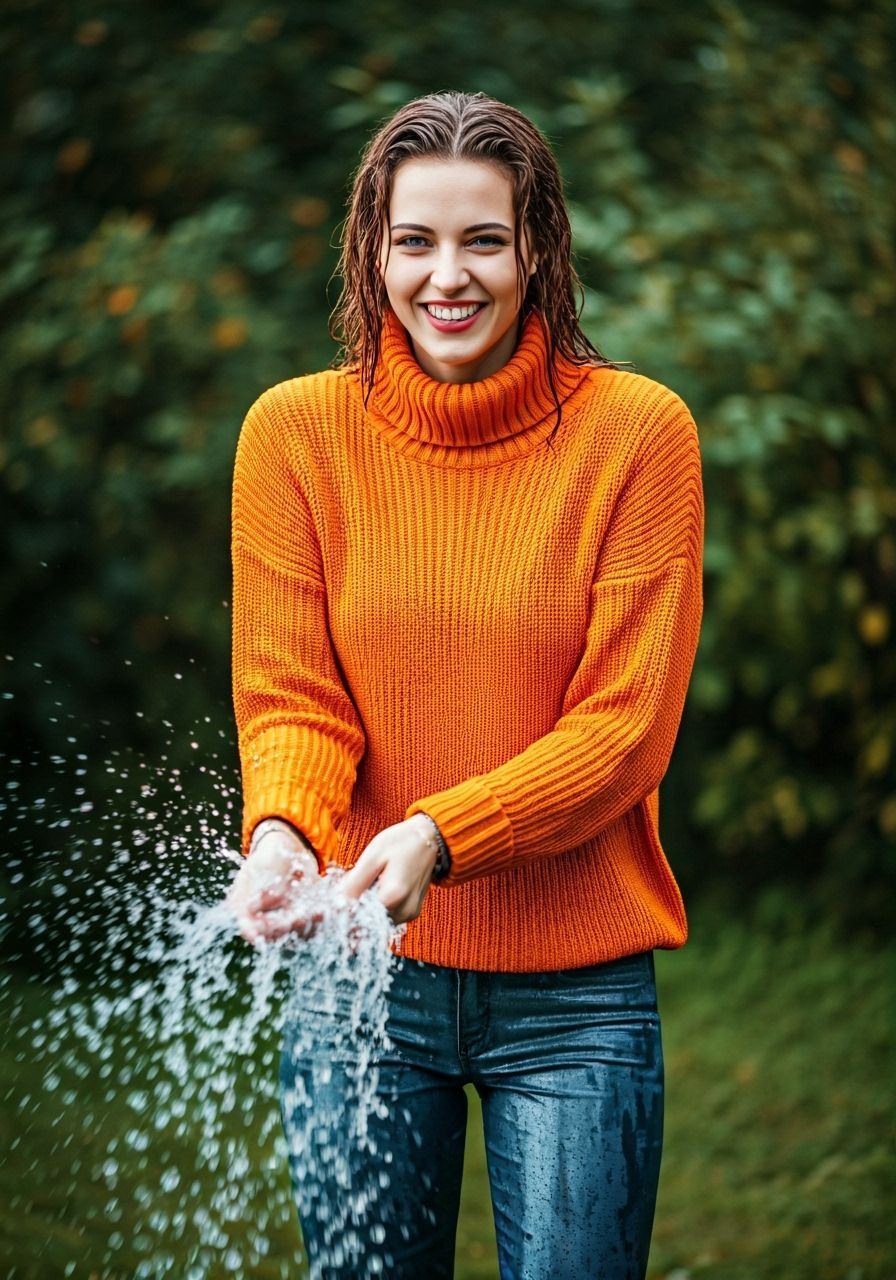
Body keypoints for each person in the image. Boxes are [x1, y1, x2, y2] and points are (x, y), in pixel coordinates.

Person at [224, 89, 704, 1279]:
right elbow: (293, 695)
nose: (450, 275)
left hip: (575, 998)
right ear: (370, 251)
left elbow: (623, 729)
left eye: (483, 238)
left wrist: (443, 832)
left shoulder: (638, 435)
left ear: (534, 244)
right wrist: (283, 828)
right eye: (415, 241)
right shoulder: (294, 435)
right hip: (359, 979)